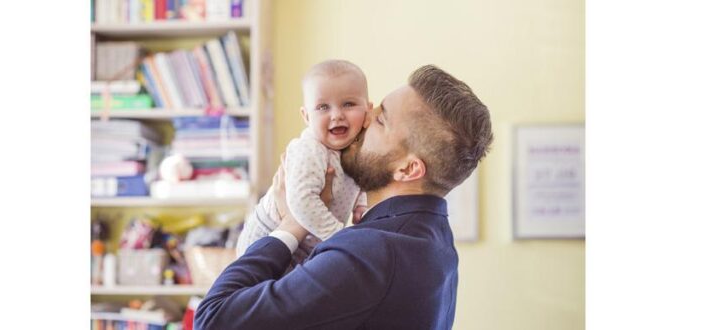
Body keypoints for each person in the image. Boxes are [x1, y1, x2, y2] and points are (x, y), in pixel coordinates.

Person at [196, 65, 493, 329]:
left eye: (381, 120)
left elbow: (213, 319)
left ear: (408, 168)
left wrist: (292, 224)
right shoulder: (435, 241)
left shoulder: (370, 253)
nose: (364, 118)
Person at [235, 59, 371, 265]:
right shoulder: (311, 149)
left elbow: (358, 178)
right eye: (323, 107)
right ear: (306, 117)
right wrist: (339, 236)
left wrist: (361, 205)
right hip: (269, 236)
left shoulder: (358, 147)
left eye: (348, 104)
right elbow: (301, 201)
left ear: (368, 109)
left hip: (308, 244)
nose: (336, 115)